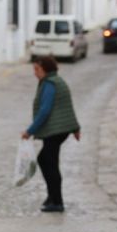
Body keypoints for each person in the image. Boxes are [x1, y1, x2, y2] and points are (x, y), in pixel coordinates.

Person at [21, 56, 81, 212]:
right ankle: (52, 197)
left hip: (56, 130)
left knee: (49, 162)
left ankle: (57, 201)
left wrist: (30, 131)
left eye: (37, 69)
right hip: (59, 129)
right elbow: (67, 106)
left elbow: (45, 110)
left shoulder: (50, 84)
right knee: (45, 160)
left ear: (45, 69)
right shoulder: (56, 81)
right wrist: (75, 127)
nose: (35, 73)